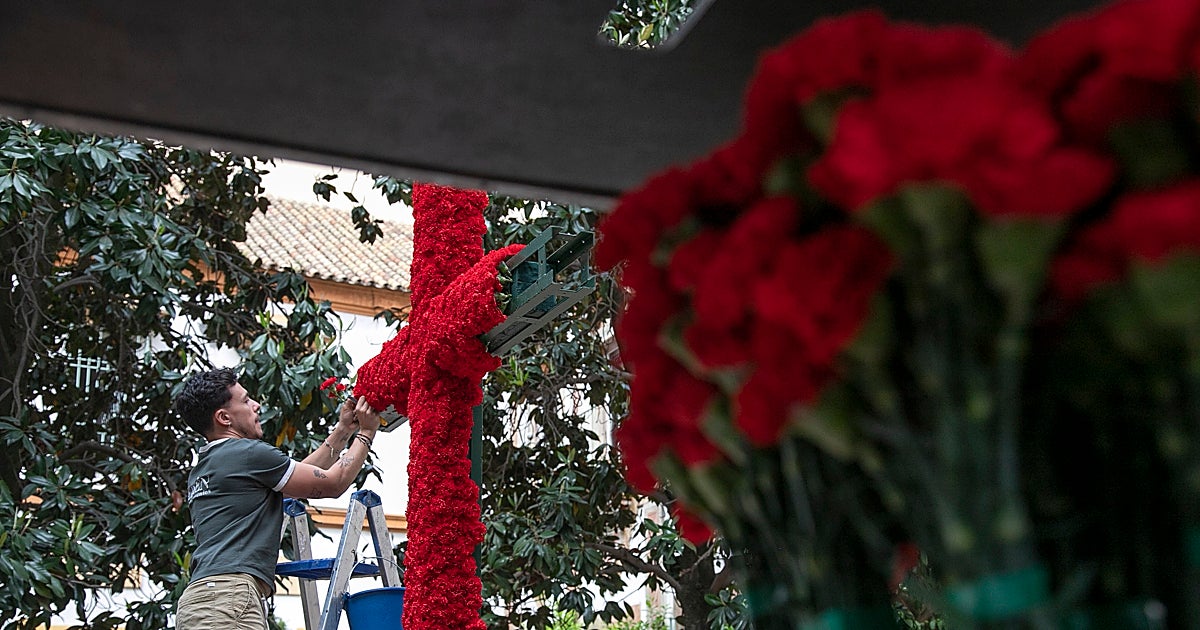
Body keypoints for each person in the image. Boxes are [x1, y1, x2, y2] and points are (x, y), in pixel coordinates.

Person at [172, 367, 380, 630]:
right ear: (224, 417)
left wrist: (342, 431)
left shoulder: (207, 464)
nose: (256, 406)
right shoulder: (246, 453)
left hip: (199, 601)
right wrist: (367, 432)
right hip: (229, 600)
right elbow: (333, 483)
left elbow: (298, 480)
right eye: (246, 401)